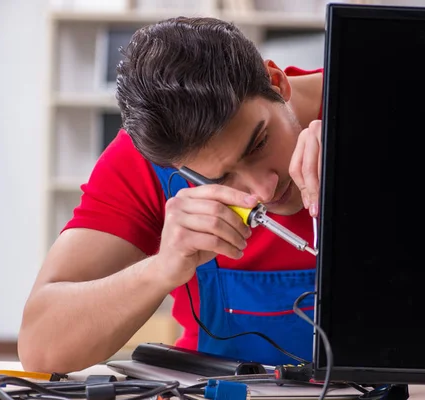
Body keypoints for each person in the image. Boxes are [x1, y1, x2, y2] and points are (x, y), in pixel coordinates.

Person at [18, 16, 325, 374]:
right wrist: (160, 270)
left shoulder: (382, 108)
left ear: (277, 82)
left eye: (258, 144)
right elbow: (41, 347)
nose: (263, 190)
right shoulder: (151, 159)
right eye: (218, 178)